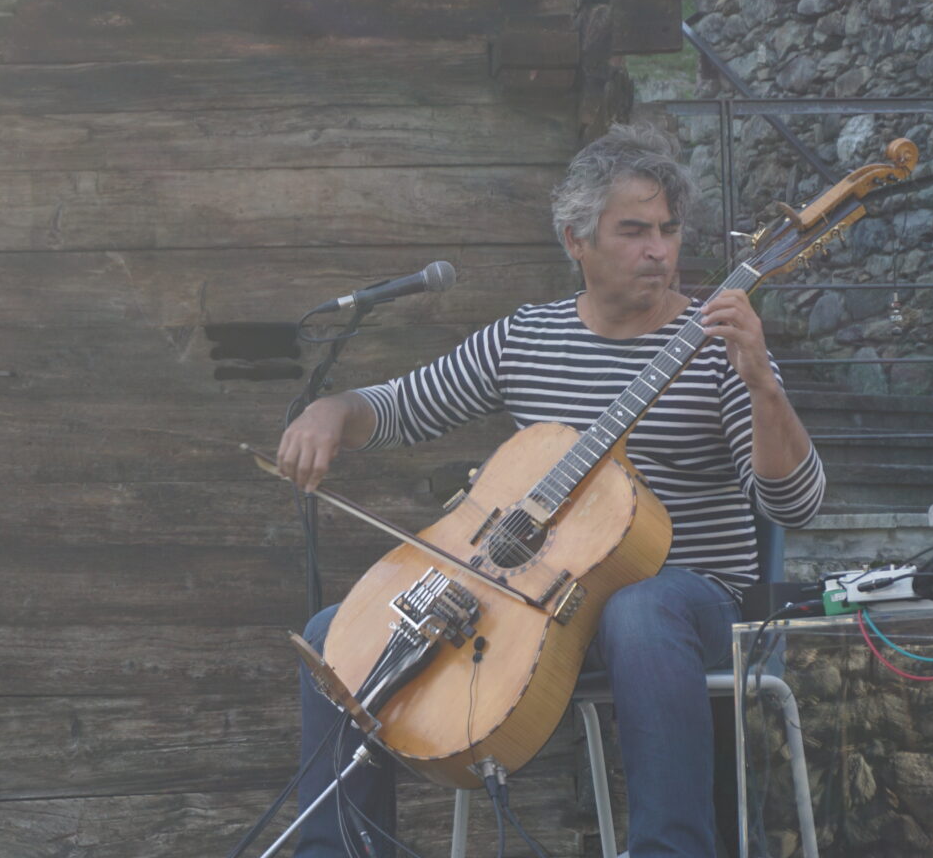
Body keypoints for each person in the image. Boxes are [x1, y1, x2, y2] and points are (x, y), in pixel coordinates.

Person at [274, 121, 826, 858]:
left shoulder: (721, 342)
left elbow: (799, 505)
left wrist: (761, 382)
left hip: (690, 604)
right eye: (633, 231)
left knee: (640, 607)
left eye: (668, 230)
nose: (659, 250)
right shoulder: (525, 339)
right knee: (333, 638)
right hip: (541, 606)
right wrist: (331, 412)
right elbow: (400, 405)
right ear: (576, 240)